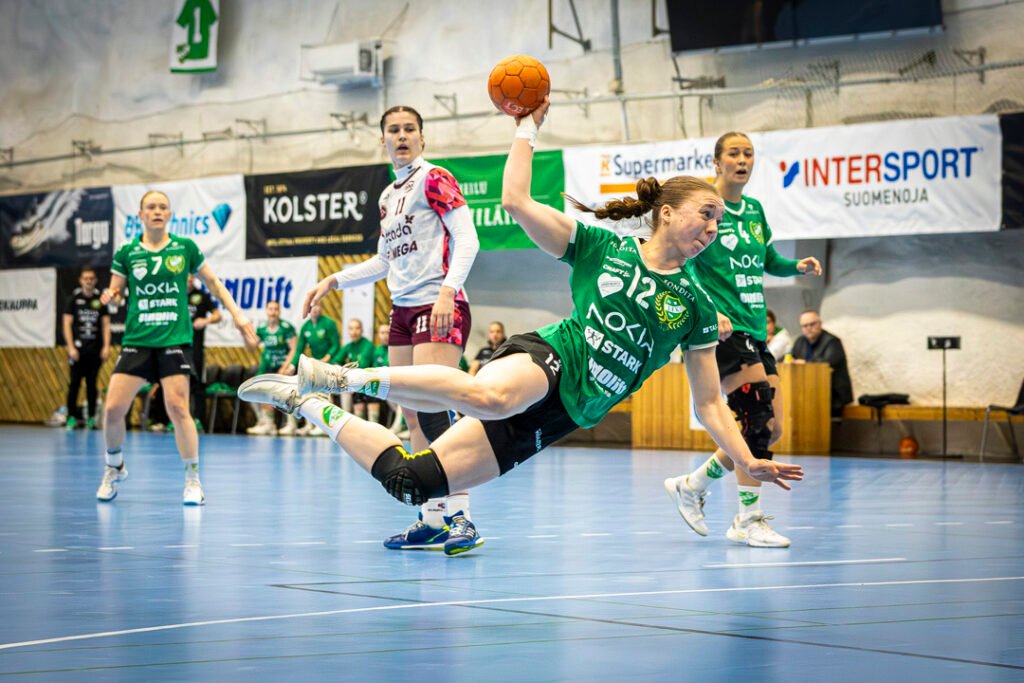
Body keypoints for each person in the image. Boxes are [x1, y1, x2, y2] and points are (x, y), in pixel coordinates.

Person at [239, 100, 803, 556]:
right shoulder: (604, 248)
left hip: (568, 412)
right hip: (554, 358)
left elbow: (710, 404)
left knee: (412, 482)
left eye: (719, 221)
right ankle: (341, 377)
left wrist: (747, 459)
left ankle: (308, 403)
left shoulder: (697, 305)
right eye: (706, 213)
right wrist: (526, 128)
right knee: (491, 396)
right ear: (667, 213)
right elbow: (514, 200)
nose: (713, 227)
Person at [300, 105, 482, 555]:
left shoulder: (434, 178)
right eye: (393, 130)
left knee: (437, 407)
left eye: (409, 129)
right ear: (381, 138)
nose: (401, 136)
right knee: (413, 413)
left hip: (437, 303)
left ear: (422, 137)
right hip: (401, 309)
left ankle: (462, 515)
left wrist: (448, 291)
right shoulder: (387, 196)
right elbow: (384, 261)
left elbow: (468, 237)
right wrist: (333, 280)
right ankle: (432, 516)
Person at [664, 131, 822, 548]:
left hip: (754, 328)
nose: (742, 160)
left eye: (748, 154)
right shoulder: (705, 208)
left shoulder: (753, 210)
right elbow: (685, 260)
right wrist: (707, 307)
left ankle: (692, 484)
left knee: (771, 427)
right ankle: (748, 519)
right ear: (717, 163)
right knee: (754, 416)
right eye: (734, 153)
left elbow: (769, 259)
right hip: (723, 328)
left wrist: (796, 267)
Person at [97, 190, 257, 505]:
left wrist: (238, 315)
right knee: (113, 409)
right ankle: (114, 466)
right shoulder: (127, 252)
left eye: (163, 207)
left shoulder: (184, 248)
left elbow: (214, 284)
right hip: (138, 340)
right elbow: (115, 293)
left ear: (169, 215)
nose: (157, 211)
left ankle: (193, 479)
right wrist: (111, 297)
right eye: (151, 207)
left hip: (174, 340)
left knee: (178, 408)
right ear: (140, 215)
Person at [63, 267, 111, 430]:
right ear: (81, 280)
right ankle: (71, 417)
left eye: (91, 278)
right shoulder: (73, 300)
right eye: (86, 278)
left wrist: (106, 347)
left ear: (95, 280)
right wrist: (70, 347)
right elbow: (67, 324)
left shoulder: (100, 300)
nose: (88, 281)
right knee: (74, 384)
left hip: (95, 351)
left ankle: (91, 417)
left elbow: (105, 325)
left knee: (92, 384)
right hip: (77, 351)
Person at [247, 300, 297, 436]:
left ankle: (291, 424)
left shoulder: (286, 327)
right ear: (266, 311)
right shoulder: (262, 328)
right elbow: (251, 347)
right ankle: (265, 422)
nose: (273, 312)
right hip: (267, 366)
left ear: (279, 311)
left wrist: (284, 367)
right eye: (270, 309)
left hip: (283, 365)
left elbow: (294, 349)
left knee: (287, 391)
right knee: (253, 389)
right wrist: (243, 333)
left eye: (276, 309)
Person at [791, 310, 853, 417]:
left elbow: (826, 364)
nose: (808, 328)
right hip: (809, 393)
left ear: (820, 324)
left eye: (812, 324)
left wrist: (805, 364)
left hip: (833, 396)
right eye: (805, 326)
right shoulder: (800, 342)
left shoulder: (832, 342)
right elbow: (791, 358)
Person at [187, 274, 221, 431]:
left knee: (198, 384)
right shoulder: (175, 294)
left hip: (195, 348)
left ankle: (199, 421)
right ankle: (174, 420)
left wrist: (205, 321)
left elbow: (217, 315)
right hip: (176, 346)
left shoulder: (201, 295)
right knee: (177, 384)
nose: (188, 280)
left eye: (191, 277)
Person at [335, 319, 376, 420]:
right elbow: (336, 361)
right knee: (340, 388)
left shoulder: (368, 345)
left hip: (368, 380)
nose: (354, 332)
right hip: (354, 380)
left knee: (346, 389)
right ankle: (345, 419)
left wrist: (345, 369)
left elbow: (362, 366)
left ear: (362, 330)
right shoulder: (348, 346)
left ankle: (348, 419)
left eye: (357, 328)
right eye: (351, 329)